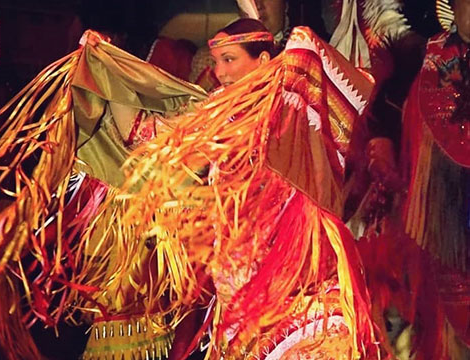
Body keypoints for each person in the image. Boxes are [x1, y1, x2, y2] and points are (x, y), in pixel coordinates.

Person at [108, 19, 381, 359]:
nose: (219, 71)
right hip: (238, 270)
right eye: (217, 61)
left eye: (230, 59)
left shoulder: (291, 108)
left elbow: (309, 52)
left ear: (264, 61)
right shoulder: (219, 110)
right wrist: (106, 69)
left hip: (294, 269)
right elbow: (150, 137)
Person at [0, 29, 207, 360]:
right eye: (147, 68)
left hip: (152, 324)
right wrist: (6, 247)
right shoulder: (104, 172)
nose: (149, 75)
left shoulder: (185, 153)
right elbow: (52, 206)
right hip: (114, 325)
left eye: (156, 72)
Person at [360, 0, 470, 357]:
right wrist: (384, 145)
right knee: (444, 320)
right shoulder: (424, 56)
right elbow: (381, 117)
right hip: (438, 226)